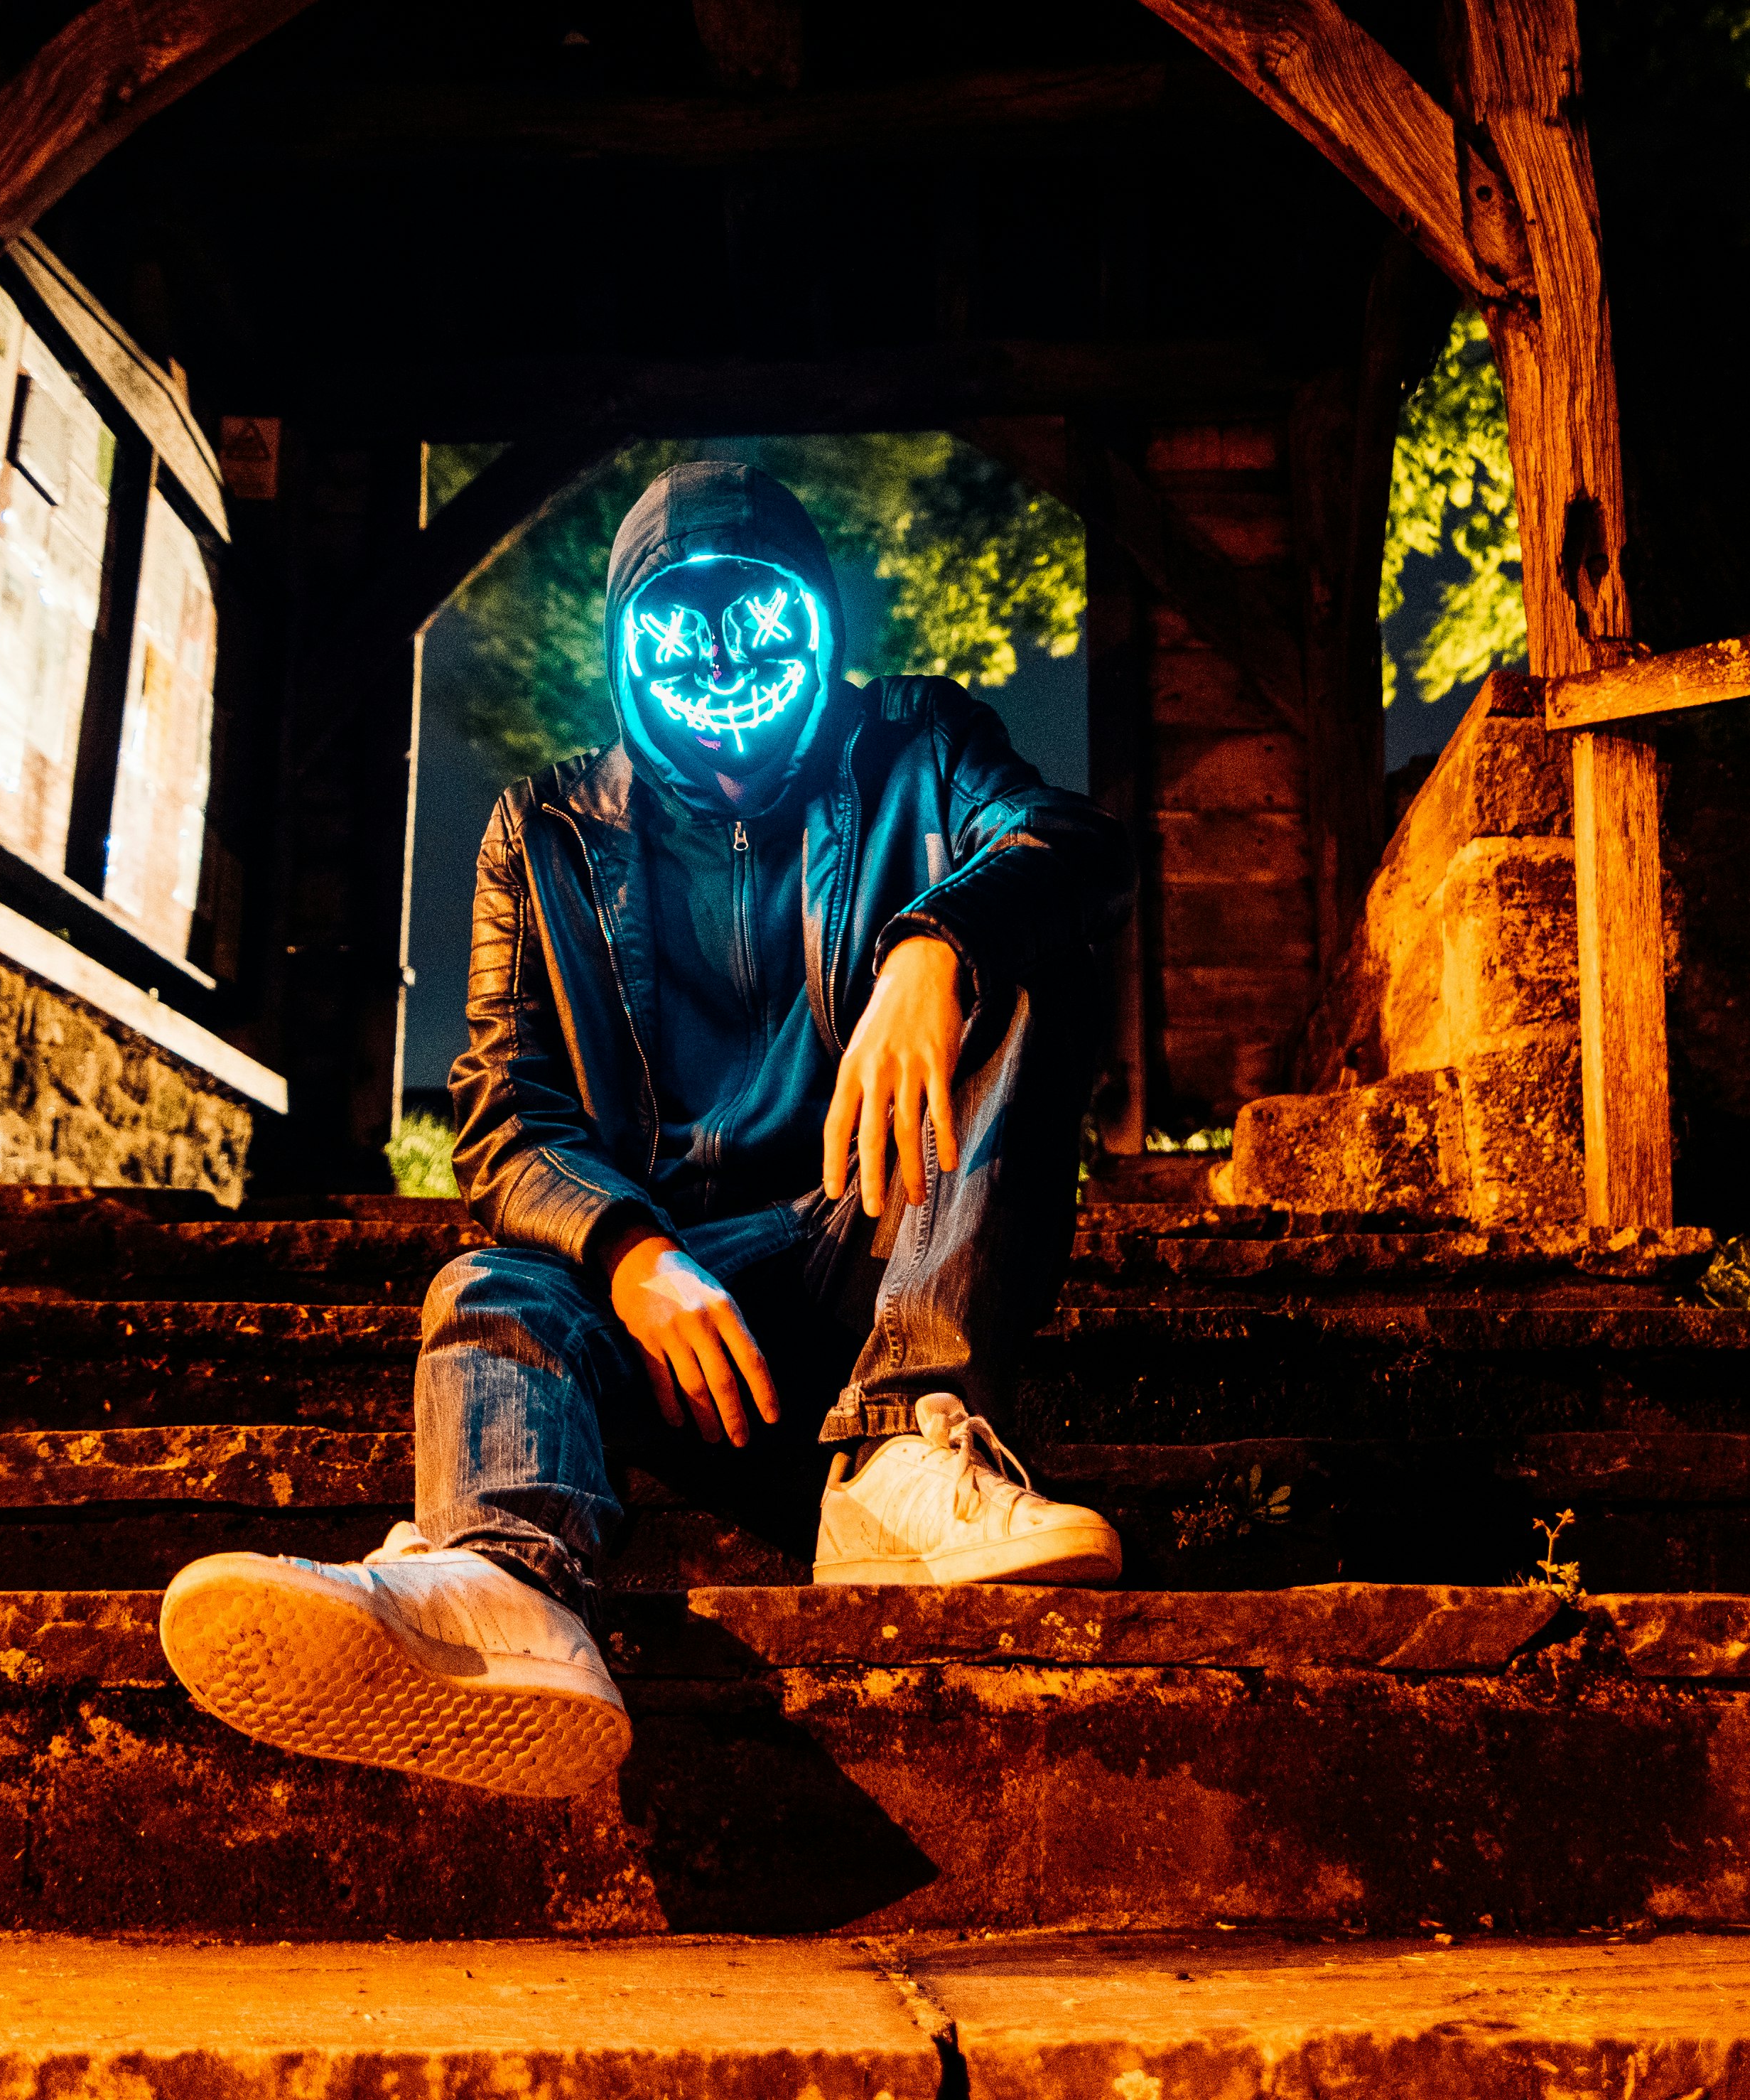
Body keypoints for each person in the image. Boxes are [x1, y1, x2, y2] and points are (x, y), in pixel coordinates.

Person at [161, 461, 1129, 1799]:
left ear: (821, 624)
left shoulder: (922, 746)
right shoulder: (542, 825)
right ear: (626, 641)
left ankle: (907, 1445)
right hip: (676, 1314)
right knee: (494, 1280)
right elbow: (502, 1116)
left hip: (883, 1247)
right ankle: (504, 1587)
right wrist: (626, 1252)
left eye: (763, 621)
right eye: (682, 626)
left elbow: (1072, 844)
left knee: (1026, 948)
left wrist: (936, 942)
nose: (726, 664)